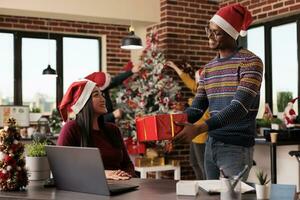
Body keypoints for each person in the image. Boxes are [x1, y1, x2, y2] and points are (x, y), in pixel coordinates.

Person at [173, 3, 263, 181]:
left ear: (232, 34)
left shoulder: (251, 62)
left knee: (230, 196)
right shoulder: (208, 69)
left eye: (217, 32)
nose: (210, 36)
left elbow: (238, 108)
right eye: (209, 30)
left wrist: (199, 128)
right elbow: (197, 109)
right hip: (211, 143)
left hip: (235, 147)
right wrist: (172, 125)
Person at [57, 72, 135, 180]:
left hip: (122, 186)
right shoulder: (71, 129)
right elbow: (62, 168)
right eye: (96, 95)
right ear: (83, 102)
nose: (103, 99)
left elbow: (127, 164)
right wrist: (104, 174)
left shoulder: (113, 129)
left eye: (102, 94)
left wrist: (124, 176)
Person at [165, 60, 209, 180]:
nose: (196, 83)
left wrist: (187, 108)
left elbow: (204, 116)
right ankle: (201, 185)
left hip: (201, 136)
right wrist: (174, 66)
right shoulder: (196, 89)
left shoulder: (207, 97)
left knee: (203, 165)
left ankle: (205, 187)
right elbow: (186, 79)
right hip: (194, 135)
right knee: (194, 163)